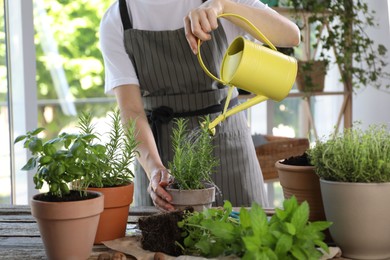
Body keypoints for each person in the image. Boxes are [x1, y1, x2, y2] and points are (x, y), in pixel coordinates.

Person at [99, 0, 300, 211]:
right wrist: (154, 169)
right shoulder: (118, 18)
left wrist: (223, 7)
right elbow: (131, 110)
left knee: (247, 237)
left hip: (228, 145)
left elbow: (290, 35)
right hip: (159, 154)